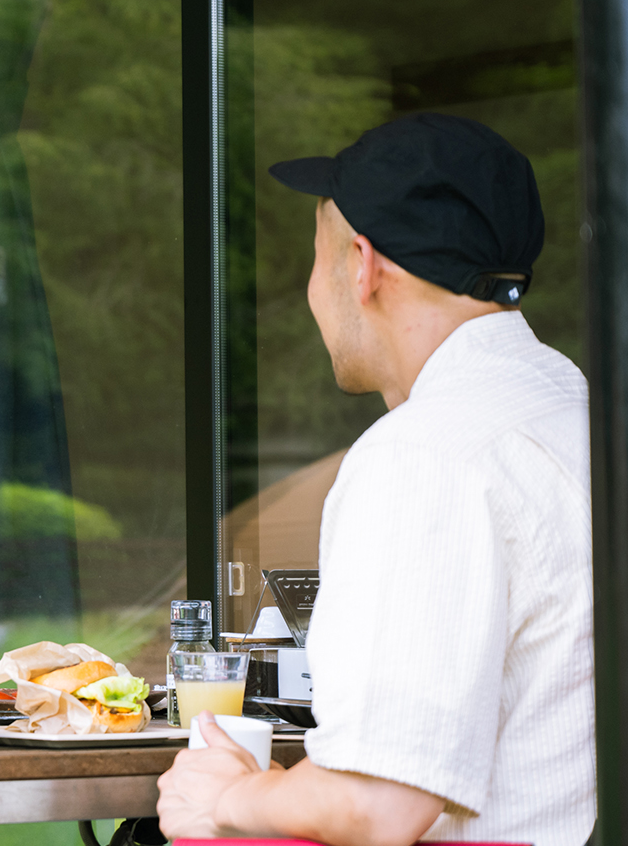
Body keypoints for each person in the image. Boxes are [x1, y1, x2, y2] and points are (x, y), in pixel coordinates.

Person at [157, 112, 594, 845]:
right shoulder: (583, 412)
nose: (311, 291)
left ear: (361, 265)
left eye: (316, 258)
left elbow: (378, 801)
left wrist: (235, 795)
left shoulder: (424, 455)